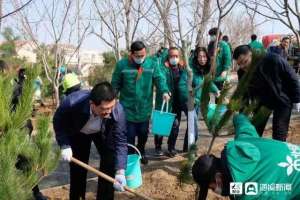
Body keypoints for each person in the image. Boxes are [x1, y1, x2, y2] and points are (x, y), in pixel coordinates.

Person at [192, 114, 300, 200]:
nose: (214, 191)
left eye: (212, 188)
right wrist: (236, 115)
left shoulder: (254, 193)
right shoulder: (241, 144)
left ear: (218, 178)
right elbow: (243, 124)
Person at [53, 82, 128, 200]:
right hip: (79, 131)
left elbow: (121, 142)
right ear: (92, 104)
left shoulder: (117, 111)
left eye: (111, 107)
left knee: (110, 163)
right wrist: (64, 144)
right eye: (105, 109)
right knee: (78, 168)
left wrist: (120, 171)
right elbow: (58, 122)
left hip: (103, 132)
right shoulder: (72, 103)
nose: (109, 111)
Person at [111, 41, 170, 164]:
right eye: (138, 56)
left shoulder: (151, 63)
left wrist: (164, 90)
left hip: (144, 108)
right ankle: (132, 157)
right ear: (131, 54)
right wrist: (111, 97)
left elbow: (159, 78)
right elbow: (115, 83)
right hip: (128, 108)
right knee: (130, 135)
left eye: (143, 55)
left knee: (143, 133)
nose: (141, 58)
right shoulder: (122, 65)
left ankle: (141, 151)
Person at [233, 45, 300, 141]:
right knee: (254, 130)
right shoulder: (242, 72)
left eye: (245, 62)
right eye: (240, 64)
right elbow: (243, 92)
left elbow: (292, 77)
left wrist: (297, 99)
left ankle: (278, 153)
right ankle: (252, 151)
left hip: (281, 100)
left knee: (279, 133)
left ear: (252, 55)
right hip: (262, 103)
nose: (243, 66)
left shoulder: (273, 60)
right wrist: (243, 112)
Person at [11, 68, 46, 200]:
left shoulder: (19, 87)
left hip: (21, 130)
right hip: (16, 132)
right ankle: (35, 193)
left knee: (24, 164)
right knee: (24, 164)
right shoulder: (18, 89)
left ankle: (35, 193)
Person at [180, 47, 220, 152]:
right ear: (196, 58)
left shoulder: (205, 69)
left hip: (197, 101)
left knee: (191, 127)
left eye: (204, 56)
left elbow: (207, 82)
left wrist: (216, 91)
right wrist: (189, 98)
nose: (202, 59)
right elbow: (182, 85)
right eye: (200, 57)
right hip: (189, 102)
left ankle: (186, 149)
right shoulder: (190, 70)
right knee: (194, 131)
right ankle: (190, 150)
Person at [153, 47, 187, 157]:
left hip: (177, 101)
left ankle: (171, 147)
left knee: (175, 125)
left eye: (176, 56)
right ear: (168, 56)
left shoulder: (182, 68)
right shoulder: (163, 68)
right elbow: (161, 80)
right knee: (162, 124)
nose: (174, 58)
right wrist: (165, 91)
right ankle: (158, 146)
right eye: (172, 56)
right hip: (165, 99)